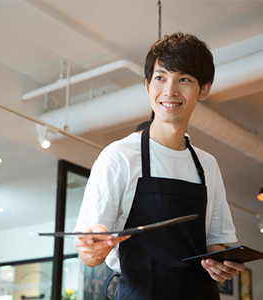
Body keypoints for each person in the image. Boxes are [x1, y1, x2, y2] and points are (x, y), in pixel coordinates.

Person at [74, 32, 245, 300]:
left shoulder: (207, 165)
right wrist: (92, 248)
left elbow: (214, 244)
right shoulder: (118, 157)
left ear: (204, 89)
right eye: (160, 78)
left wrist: (221, 265)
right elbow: (88, 253)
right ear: (147, 86)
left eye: (184, 79)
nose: (170, 91)